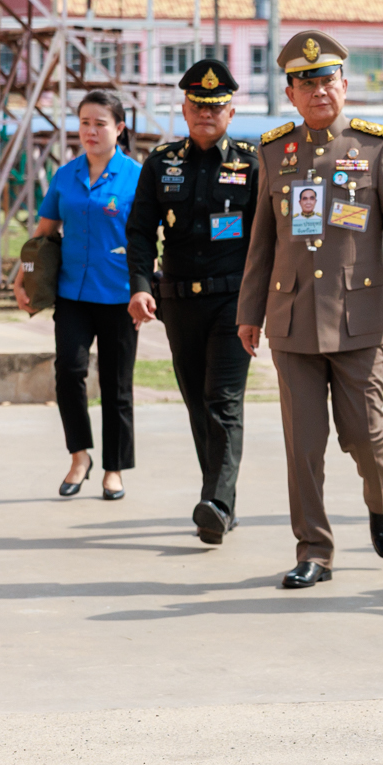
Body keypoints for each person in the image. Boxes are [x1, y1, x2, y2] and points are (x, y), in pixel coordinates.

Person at [237, 29, 383, 588]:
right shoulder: (274, 149)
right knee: (304, 446)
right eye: (306, 83)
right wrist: (250, 311)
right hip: (291, 318)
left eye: (327, 81)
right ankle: (314, 550)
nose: (319, 91)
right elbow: (262, 240)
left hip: (359, 316)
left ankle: (381, 496)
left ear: (344, 84)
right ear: (291, 94)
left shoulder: (375, 144)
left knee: (364, 435)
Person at [126, 60, 259, 544]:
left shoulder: (252, 161)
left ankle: (217, 502)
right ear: (184, 109)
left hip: (234, 301)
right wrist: (141, 284)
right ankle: (221, 500)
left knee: (223, 401)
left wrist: (262, 301)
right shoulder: (162, 162)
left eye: (216, 106)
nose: (207, 113)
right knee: (197, 404)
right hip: (179, 301)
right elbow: (140, 230)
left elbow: (267, 238)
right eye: (198, 106)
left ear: (231, 110)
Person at [22, 90, 142, 500]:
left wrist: (145, 290)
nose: (90, 131)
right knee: (69, 372)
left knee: (116, 383)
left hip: (120, 296)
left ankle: (114, 468)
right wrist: (24, 279)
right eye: (84, 123)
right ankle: (79, 455)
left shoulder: (136, 177)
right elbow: (42, 235)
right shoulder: (65, 176)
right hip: (72, 293)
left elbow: (146, 239)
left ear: (119, 129)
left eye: (100, 123)